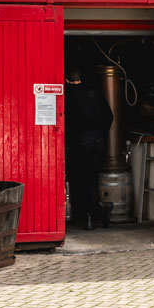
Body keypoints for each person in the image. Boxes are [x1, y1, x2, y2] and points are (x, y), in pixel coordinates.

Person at [64, 67, 114, 230]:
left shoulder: (68, 96)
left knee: (79, 178)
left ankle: (85, 213)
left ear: (67, 81)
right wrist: (99, 132)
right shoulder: (94, 94)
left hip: (78, 143)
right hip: (97, 141)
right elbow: (109, 116)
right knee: (92, 177)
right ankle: (96, 212)